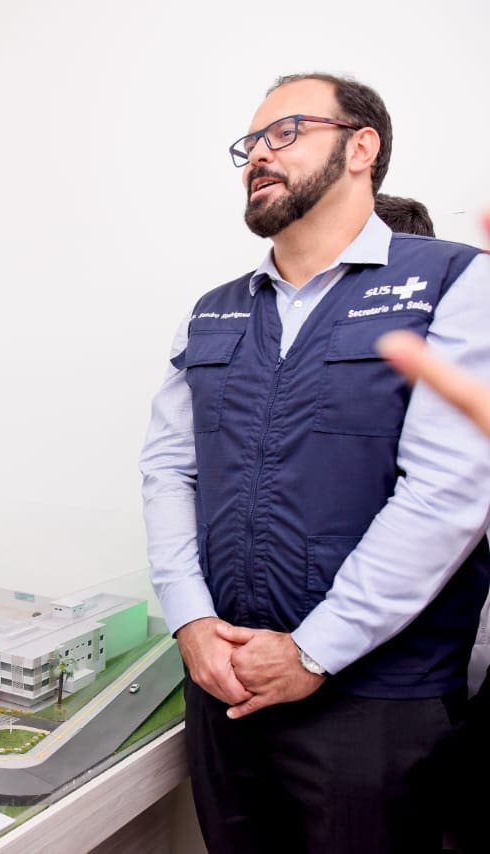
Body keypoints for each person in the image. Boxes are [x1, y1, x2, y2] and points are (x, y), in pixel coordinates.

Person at [140, 73, 490, 852]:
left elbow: (445, 493)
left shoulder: (455, 282)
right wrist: (191, 620)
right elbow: (168, 471)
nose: (259, 155)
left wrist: (311, 652)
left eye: (286, 132)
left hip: (375, 701)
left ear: (361, 147)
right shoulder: (213, 309)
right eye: (250, 144)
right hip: (225, 688)